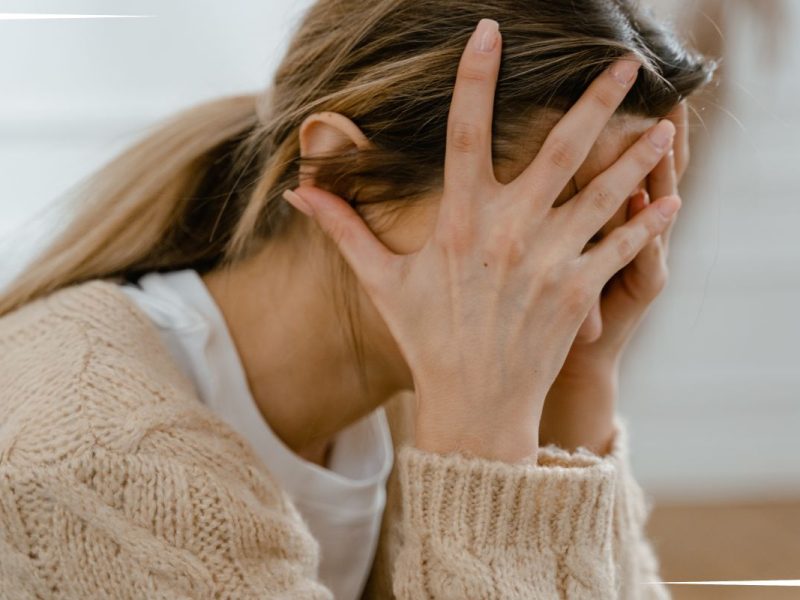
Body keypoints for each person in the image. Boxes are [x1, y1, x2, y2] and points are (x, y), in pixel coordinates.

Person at [0, 1, 714, 598]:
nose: (571, 294)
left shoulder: (411, 406)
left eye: (608, 227)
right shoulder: (97, 461)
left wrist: (579, 381)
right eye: (544, 223)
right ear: (345, 175)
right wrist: (482, 462)